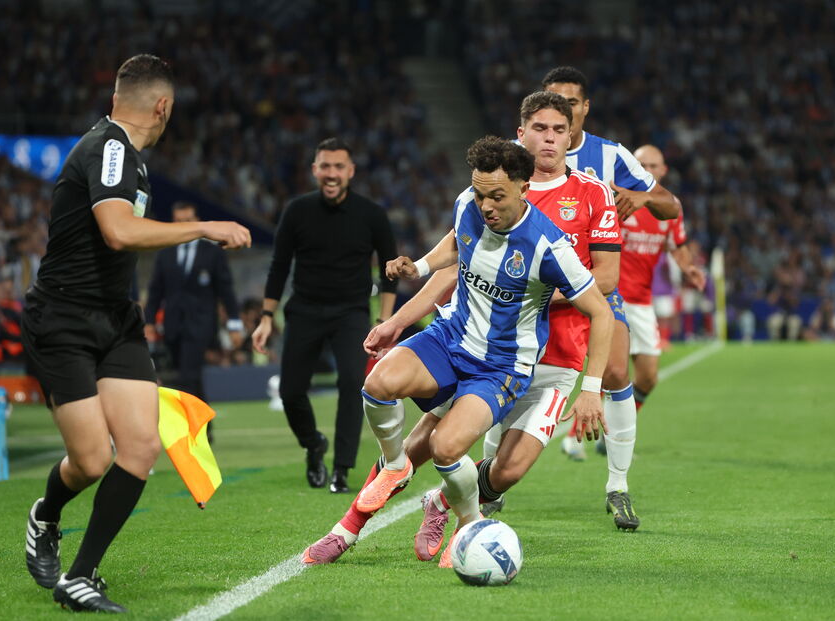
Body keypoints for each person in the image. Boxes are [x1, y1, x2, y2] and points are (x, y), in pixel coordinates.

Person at [303, 135, 614, 567]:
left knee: (447, 448)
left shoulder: (548, 246)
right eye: (481, 194)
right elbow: (455, 242)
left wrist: (593, 388)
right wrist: (420, 268)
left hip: (502, 366)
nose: (486, 206)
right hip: (451, 336)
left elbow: (602, 313)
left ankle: (468, 528)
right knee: (378, 382)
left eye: (497, 197)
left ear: (525, 188)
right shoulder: (469, 201)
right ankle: (391, 471)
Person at [20, 54, 251, 613]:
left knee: (142, 446)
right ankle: (45, 516)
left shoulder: (129, 160)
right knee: (92, 460)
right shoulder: (111, 147)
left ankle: (80, 575)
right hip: (65, 320)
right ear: (163, 106)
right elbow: (118, 232)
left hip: (116, 320)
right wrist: (203, 227)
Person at [541, 66, 680, 529]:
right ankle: (490, 475)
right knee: (514, 375)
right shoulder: (525, 152)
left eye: (572, 102)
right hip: (534, 287)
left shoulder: (610, 155)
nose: (562, 111)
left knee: (619, 369)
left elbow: (670, 205)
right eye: (552, 101)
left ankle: (617, 486)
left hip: (598, 283)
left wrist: (636, 197)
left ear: (585, 108)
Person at [252, 138, 398, 494]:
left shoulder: (372, 214)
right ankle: (313, 444)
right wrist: (266, 316)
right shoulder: (297, 211)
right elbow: (279, 265)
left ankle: (342, 470)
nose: (331, 174)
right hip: (303, 310)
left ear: (351, 172)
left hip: (350, 313)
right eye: (325, 167)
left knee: (352, 383)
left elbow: (389, 270)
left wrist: (384, 323)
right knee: (290, 392)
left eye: (338, 167)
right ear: (315, 171)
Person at [624, 145, 707, 410]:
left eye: (652, 166)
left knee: (648, 377)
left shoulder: (671, 208)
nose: (647, 171)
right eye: (641, 166)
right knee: (613, 372)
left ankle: (611, 433)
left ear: (663, 170)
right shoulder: (617, 199)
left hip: (641, 300)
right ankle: (577, 436)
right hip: (609, 298)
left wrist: (688, 268)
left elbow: (677, 245)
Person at [144, 201, 243, 405]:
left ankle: (193, 430)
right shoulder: (165, 253)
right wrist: (149, 322)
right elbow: (156, 291)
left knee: (188, 377)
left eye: (188, 220)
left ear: (197, 221)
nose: (184, 224)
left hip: (201, 325)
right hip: (172, 325)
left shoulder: (212, 252)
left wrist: (234, 324)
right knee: (188, 376)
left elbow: (226, 290)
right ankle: (205, 429)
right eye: (179, 221)